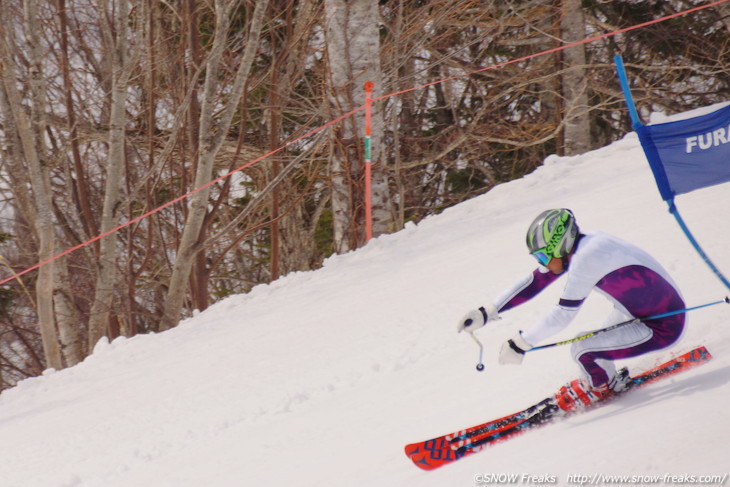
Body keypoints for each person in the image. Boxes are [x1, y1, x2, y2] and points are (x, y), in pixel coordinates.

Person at [457, 208, 686, 412]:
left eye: (543, 255)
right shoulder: (586, 243)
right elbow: (536, 280)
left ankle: (600, 390)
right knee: (594, 341)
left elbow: (562, 315)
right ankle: (606, 380)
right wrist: (488, 311)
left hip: (663, 326)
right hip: (640, 314)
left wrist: (521, 344)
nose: (542, 263)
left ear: (560, 244)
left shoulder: (586, 259)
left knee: (582, 349)